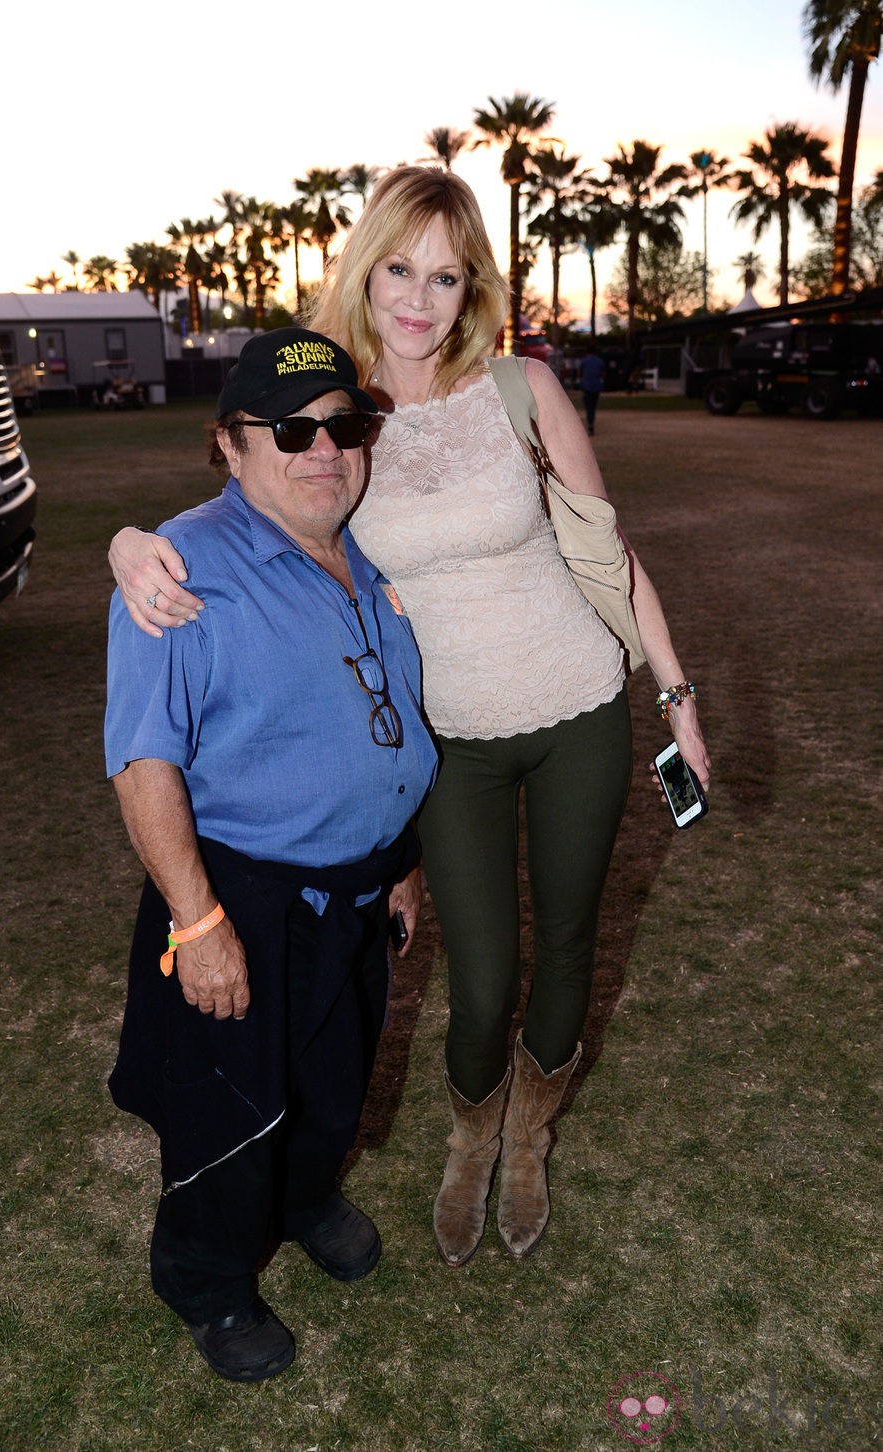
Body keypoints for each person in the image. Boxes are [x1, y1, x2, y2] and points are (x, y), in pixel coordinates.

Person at [108, 167, 711, 1271]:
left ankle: (528, 1137)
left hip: (578, 707)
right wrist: (130, 543)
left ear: (469, 282)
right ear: (365, 268)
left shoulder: (523, 387)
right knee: (479, 978)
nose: (419, 299)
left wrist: (671, 690)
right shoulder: (341, 412)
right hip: (449, 747)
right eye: (398, 268)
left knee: (569, 943)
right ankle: (470, 1135)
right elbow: (240, 488)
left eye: (444, 274)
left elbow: (603, 549)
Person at [104, 327, 439, 1382]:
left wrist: (403, 859)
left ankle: (303, 1200)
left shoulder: (364, 551)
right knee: (227, 1105)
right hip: (238, 890)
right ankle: (205, 1280)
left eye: (344, 425)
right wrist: (196, 922)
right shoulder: (180, 566)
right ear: (228, 445)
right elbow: (142, 760)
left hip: (355, 886)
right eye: (290, 429)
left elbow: (383, 722)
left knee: (331, 1080)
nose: (323, 448)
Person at [578, 346, 604, 436]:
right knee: (593, 406)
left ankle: (590, 424)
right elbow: (603, 373)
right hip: (596, 386)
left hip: (586, 386)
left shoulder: (584, 361)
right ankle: (591, 423)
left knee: (588, 407)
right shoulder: (599, 361)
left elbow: (580, 372)